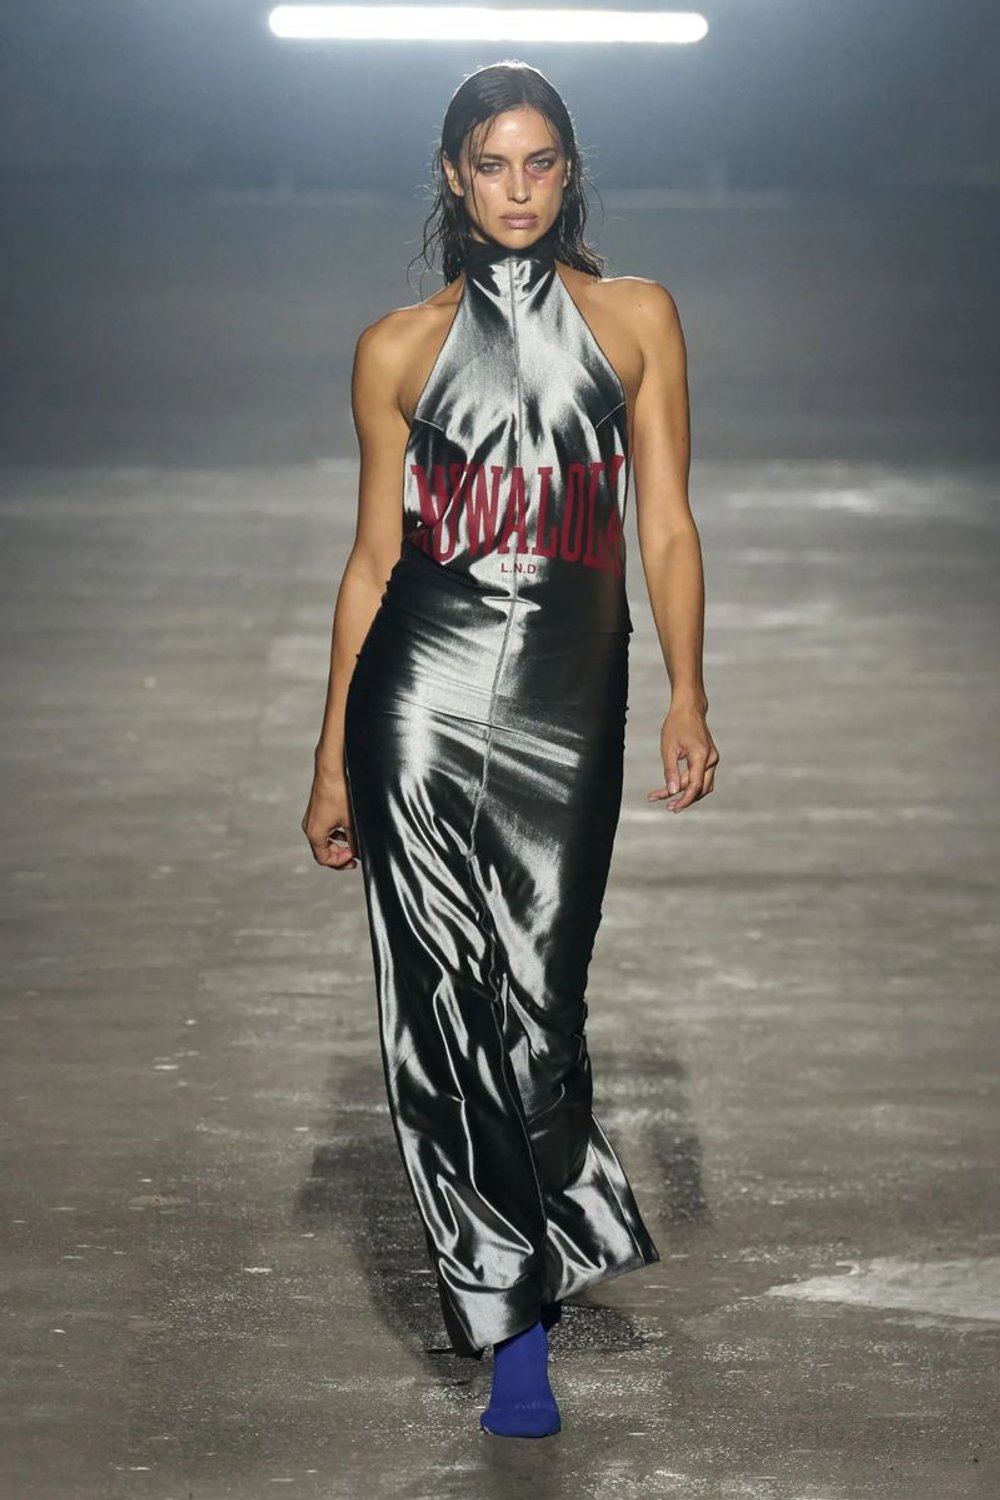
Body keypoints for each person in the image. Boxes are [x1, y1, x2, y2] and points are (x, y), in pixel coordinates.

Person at [302, 60, 719, 1439]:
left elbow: (666, 524)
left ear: (570, 170)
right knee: (440, 1012)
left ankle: (553, 1229)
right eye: (492, 164)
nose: (518, 189)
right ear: (454, 176)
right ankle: (512, 1338)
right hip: (418, 703)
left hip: (568, 702)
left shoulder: (638, 316)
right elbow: (373, 562)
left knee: (540, 1008)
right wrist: (329, 760)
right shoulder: (396, 347)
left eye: (541, 162)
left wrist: (688, 692)